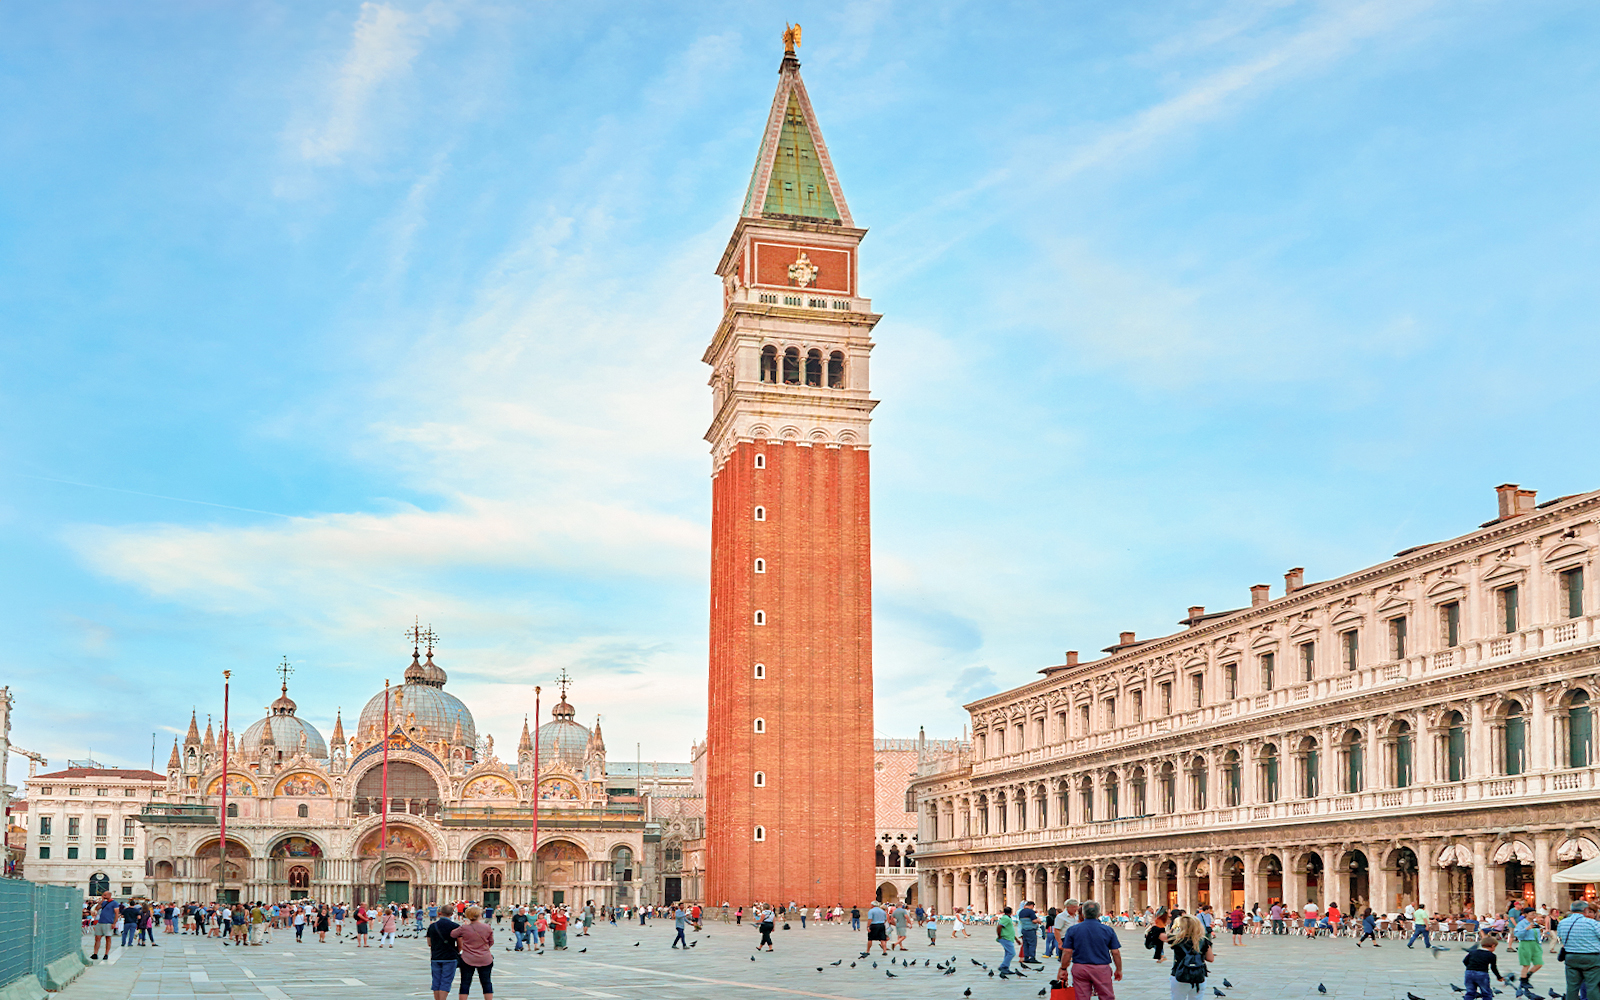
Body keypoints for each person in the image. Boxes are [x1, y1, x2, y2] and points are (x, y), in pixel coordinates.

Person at [1060, 900, 1123, 1000]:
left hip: (1080, 967)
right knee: (1106, 996)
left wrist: (1063, 969)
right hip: (1101, 968)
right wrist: (1118, 969)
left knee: (1082, 997)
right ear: (1098, 914)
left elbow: (1067, 952)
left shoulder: (1073, 930)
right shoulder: (1107, 930)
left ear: (1083, 913)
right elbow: (1115, 952)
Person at [1558, 901, 1600, 1000]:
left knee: (1572, 986)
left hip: (1571, 956)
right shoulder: (1592, 923)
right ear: (1585, 910)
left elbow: (1561, 937)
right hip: (1591, 957)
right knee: (1592, 986)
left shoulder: (1563, 923)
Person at [451, 905, 495, 1000]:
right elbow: (491, 942)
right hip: (485, 958)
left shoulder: (464, 928)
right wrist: (483, 948)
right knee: (486, 982)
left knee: (465, 982)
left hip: (467, 958)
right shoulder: (487, 927)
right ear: (479, 915)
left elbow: (453, 934)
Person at [1166, 914, 1214, 998]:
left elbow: (1158, 936)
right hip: (1198, 975)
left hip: (1179, 974)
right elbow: (1210, 958)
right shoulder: (1203, 941)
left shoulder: (1177, 940)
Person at [427, 906, 461, 1000]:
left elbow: (429, 943)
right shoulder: (455, 926)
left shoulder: (432, 926)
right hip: (450, 957)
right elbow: (460, 944)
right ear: (451, 914)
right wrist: (456, 951)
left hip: (435, 957)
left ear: (440, 913)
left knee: (436, 981)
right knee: (446, 981)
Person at [1463, 933, 1505, 1000]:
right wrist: (1499, 977)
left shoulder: (1473, 952)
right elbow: (1493, 967)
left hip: (1469, 973)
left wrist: (1471, 967)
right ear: (1493, 946)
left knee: (1470, 992)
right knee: (1486, 993)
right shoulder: (1492, 955)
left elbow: (1465, 961)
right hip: (1482, 974)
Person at [1513, 907, 1543, 994]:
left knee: (1539, 963)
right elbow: (1517, 934)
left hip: (1535, 944)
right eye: (1532, 913)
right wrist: (1526, 929)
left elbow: (1537, 934)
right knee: (1526, 964)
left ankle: (1526, 977)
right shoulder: (1522, 923)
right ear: (1526, 914)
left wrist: (1539, 944)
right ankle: (1523, 981)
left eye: (1535, 913)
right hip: (1525, 943)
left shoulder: (1534, 923)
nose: (1534, 915)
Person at [996, 905, 1018, 976]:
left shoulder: (1007, 918)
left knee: (1008, 953)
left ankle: (1006, 968)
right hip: (1005, 938)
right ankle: (1003, 966)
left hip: (1009, 938)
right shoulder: (1005, 918)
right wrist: (999, 935)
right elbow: (999, 926)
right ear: (1011, 912)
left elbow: (1010, 930)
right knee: (1012, 953)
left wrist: (1016, 939)